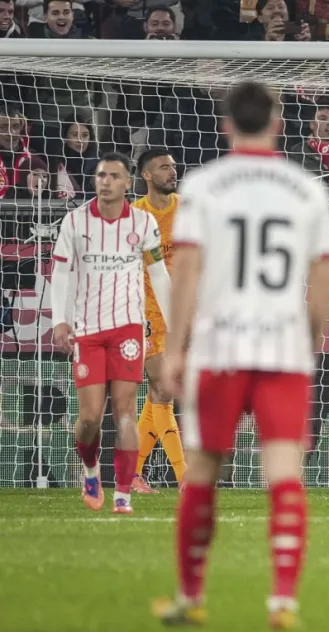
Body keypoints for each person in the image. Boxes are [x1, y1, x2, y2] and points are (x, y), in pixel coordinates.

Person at [151, 81, 329, 630]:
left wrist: (174, 348)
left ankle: (191, 596)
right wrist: (311, 338)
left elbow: (186, 271)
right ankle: (282, 600)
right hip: (283, 347)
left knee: (205, 469)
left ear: (226, 123)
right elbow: (324, 274)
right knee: (284, 473)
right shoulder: (306, 189)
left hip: (221, 346)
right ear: (277, 122)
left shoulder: (205, 186)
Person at [49, 152, 172, 515]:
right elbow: (60, 274)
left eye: (114, 175)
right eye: (101, 175)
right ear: (94, 180)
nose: (106, 181)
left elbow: (159, 275)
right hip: (87, 330)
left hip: (128, 330)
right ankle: (90, 470)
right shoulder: (74, 222)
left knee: (124, 413)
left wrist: (175, 321)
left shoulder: (144, 223)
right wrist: (60, 319)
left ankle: (122, 495)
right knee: (89, 419)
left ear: (128, 182)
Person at [132, 148, 185, 493]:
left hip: (179, 309)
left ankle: (132, 474)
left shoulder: (187, 209)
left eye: (174, 167)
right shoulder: (135, 215)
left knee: (158, 394)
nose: (172, 172)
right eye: (164, 168)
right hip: (145, 311)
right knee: (164, 390)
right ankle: (185, 477)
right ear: (147, 175)